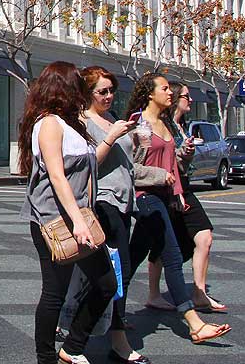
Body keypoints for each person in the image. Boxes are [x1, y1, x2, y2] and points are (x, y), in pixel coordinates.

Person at [20, 62, 117, 364]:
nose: (82, 90)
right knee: (55, 291)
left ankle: (72, 347)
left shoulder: (73, 122)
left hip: (81, 217)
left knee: (106, 285)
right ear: (63, 87)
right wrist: (77, 221)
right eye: (77, 84)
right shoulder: (48, 123)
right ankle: (46, 357)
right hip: (54, 220)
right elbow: (58, 176)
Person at [122, 73, 230, 345]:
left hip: (167, 196)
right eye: (165, 88)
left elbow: (173, 166)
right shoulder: (139, 125)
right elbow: (129, 169)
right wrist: (160, 176)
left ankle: (111, 312)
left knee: (132, 258)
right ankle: (194, 324)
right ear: (150, 93)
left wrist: (184, 157)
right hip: (146, 197)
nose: (171, 93)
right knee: (171, 255)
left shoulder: (166, 123)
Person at [79, 66, 148, 364]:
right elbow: (88, 163)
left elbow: (129, 166)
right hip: (103, 202)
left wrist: (135, 144)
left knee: (106, 275)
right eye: (102, 91)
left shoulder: (111, 119)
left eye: (111, 91)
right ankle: (118, 340)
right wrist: (112, 137)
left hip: (123, 202)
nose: (108, 97)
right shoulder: (83, 122)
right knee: (119, 271)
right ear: (87, 93)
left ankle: (75, 326)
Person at [145, 82, 227, 313]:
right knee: (165, 244)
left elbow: (177, 162)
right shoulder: (162, 124)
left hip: (183, 187)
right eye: (185, 96)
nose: (189, 100)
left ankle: (199, 292)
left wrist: (186, 156)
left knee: (204, 237)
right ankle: (153, 294)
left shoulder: (181, 126)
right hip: (166, 189)